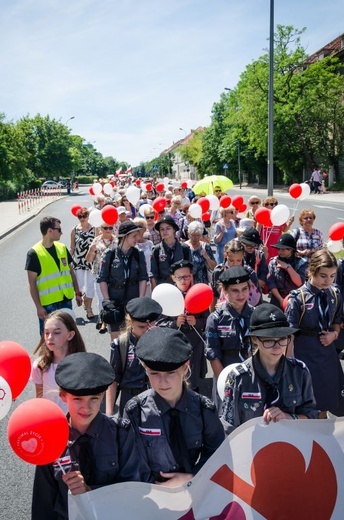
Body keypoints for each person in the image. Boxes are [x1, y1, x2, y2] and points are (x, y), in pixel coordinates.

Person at [31, 352, 141, 520]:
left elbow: (132, 491)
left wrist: (90, 491)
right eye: (77, 399)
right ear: (63, 396)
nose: (86, 407)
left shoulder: (121, 433)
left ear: (102, 396)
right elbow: (43, 503)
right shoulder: (52, 441)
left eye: (94, 399)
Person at [123, 328, 225, 487]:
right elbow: (131, 461)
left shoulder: (203, 409)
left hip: (196, 492)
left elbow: (218, 453)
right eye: (154, 373)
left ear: (185, 367)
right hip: (152, 495)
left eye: (170, 373)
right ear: (145, 368)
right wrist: (157, 488)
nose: (162, 382)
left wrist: (192, 478)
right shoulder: (135, 411)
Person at [221, 303, 318, 433]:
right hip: (252, 448)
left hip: (292, 446)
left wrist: (289, 417)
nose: (277, 347)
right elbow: (229, 427)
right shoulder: (238, 377)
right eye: (269, 341)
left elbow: (311, 416)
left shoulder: (299, 371)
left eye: (283, 339)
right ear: (255, 340)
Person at [285, 249, 344, 416]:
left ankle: (323, 432)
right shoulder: (298, 298)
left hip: (327, 353)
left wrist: (334, 334)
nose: (328, 280)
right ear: (311, 271)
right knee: (308, 400)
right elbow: (290, 333)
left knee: (327, 398)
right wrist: (289, 365)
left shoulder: (335, 294)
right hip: (305, 352)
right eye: (323, 275)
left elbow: (337, 321)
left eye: (332, 276)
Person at [156, 260, 209, 392]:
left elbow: (208, 320)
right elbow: (159, 323)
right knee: (174, 378)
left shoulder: (197, 293)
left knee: (193, 379)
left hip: (194, 344)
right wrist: (174, 324)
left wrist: (197, 323)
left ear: (191, 276)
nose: (184, 280)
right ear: (173, 277)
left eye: (187, 276)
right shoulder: (167, 296)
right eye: (179, 277)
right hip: (173, 343)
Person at [206, 266, 255, 408]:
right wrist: (226, 384)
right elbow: (213, 355)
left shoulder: (256, 315)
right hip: (225, 372)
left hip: (252, 375)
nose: (241, 295)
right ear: (225, 290)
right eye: (235, 290)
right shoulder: (216, 319)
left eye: (244, 289)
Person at [25, 216, 82, 335]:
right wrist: (38, 307)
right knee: (48, 340)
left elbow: (71, 271)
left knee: (68, 336)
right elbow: (32, 284)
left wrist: (77, 292)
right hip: (48, 306)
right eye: (59, 230)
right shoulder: (34, 253)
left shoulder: (62, 248)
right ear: (49, 231)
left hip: (66, 300)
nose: (62, 232)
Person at [106, 297, 163, 416]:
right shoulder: (120, 345)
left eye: (150, 325)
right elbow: (113, 380)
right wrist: (109, 413)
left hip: (156, 400)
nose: (146, 330)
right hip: (130, 400)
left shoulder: (162, 341)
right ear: (130, 322)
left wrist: (160, 342)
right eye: (141, 327)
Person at [98, 221, 148, 340]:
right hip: (115, 300)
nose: (137, 238)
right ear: (125, 236)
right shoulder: (109, 253)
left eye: (138, 235)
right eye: (134, 236)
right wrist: (106, 300)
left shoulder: (138, 254)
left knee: (133, 336)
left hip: (132, 299)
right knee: (116, 340)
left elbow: (143, 278)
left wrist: (140, 299)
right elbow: (102, 279)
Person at [30, 310, 86, 414]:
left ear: (70, 335)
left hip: (75, 423)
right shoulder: (40, 365)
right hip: (50, 421)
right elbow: (39, 398)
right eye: (46, 333)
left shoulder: (82, 364)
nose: (50, 337)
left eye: (56, 332)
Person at [211, 238, 262, 309]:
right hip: (224, 314)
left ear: (243, 256)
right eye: (231, 260)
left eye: (238, 260)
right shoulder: (218, 271)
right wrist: (213, 315)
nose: (235, 264)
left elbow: (256, 297)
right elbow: (214, 296)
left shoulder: (249, 272)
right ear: (225, 255)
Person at [85, 222, 116, 332]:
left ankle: (113, 318)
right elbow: (89, 260)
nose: (108, 230)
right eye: (105, 228)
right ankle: (103, 321)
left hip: (114, 274)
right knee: (101, 298)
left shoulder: (117, 240)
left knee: (113, 297)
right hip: (99, 274)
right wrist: (91, 250)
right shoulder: (96, 241)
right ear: (100, 228)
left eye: (110, 227)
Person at [150, 215, 192, 288]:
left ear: (174, 230)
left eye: (168, 228)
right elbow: (153, 275)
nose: (165, 231)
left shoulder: (184, 248)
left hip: (181, 287)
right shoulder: (156, 250)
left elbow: (191, 272)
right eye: (162, 229)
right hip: (163, 287)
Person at [267, 234, 307, 309]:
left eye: (283, 249)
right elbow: (271, 283)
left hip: (295, 299)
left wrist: (288, 267)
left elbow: (299, 283)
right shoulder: (273, 262)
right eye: (278, 249)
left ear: (291, 249)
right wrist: (280, 299)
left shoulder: (301, 263)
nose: (280, 252)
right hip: (277, 299)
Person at [70, 207, 97, 320]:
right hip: (78, 261)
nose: (82, 219)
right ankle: (84, 298)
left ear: (88, 217)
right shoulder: (75, 230)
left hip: (91, 261)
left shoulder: (95, 229)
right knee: (80, 286)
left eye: (84, 216)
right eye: (79, 217)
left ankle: (89, 309)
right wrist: (68, 260)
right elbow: (72, 247)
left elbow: (97, 244)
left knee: (90, 285)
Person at [239, 227, 268, 292]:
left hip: (255, 294)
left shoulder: (260, 256)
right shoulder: (237, 256)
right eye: (248, 246)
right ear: (242, 243)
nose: (252, 248)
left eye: (255, 246)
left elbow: (263, 281)